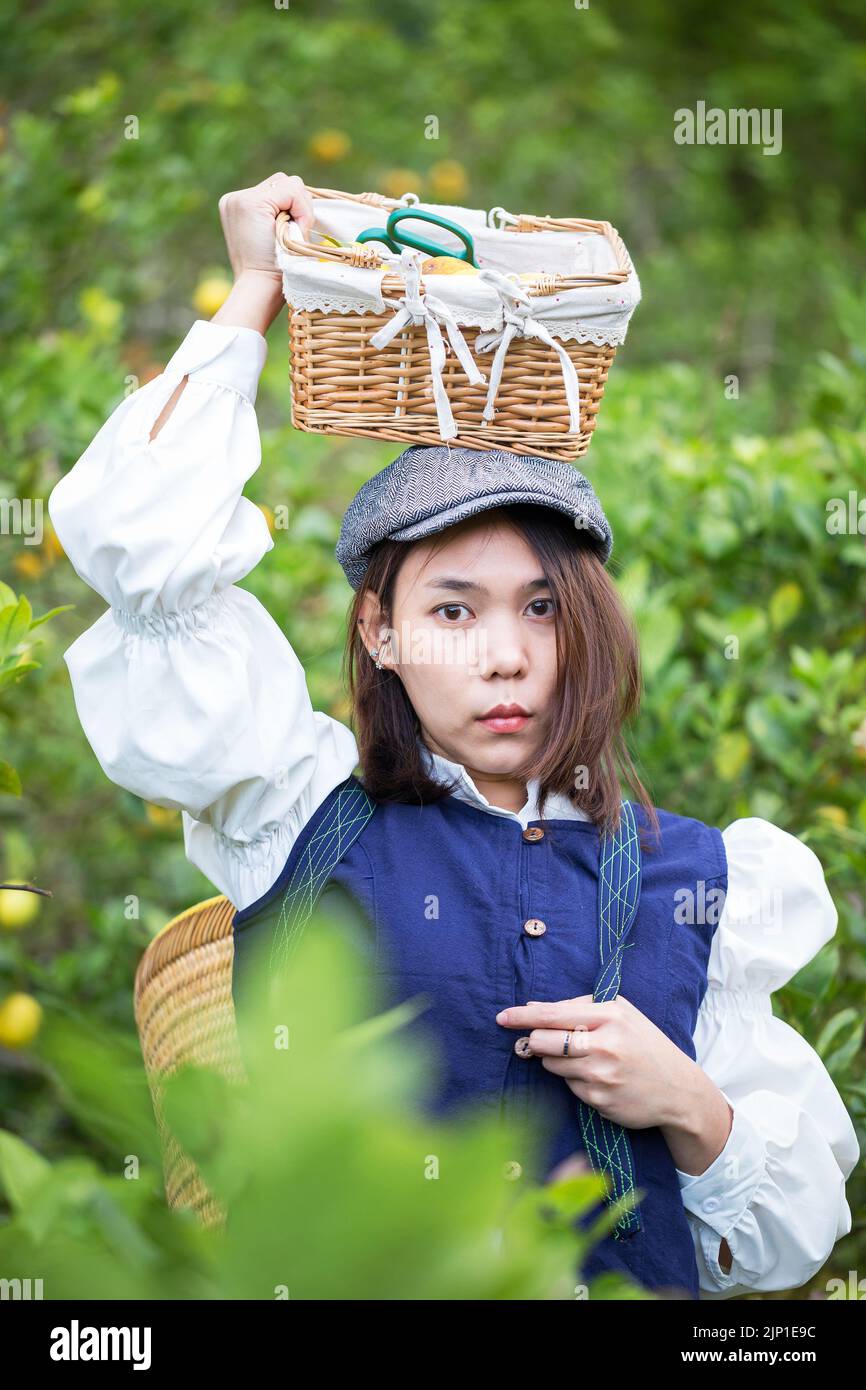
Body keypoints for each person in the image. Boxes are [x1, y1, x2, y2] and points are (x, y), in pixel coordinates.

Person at [47, 173, 859, 1300]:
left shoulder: (701, 878)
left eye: (542, 607)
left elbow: (788, 1241)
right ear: (378, 632)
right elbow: (142, 566)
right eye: (452, 610)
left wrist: (686, 1102)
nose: (505, 654)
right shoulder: (293, 811)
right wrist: (253, 293)